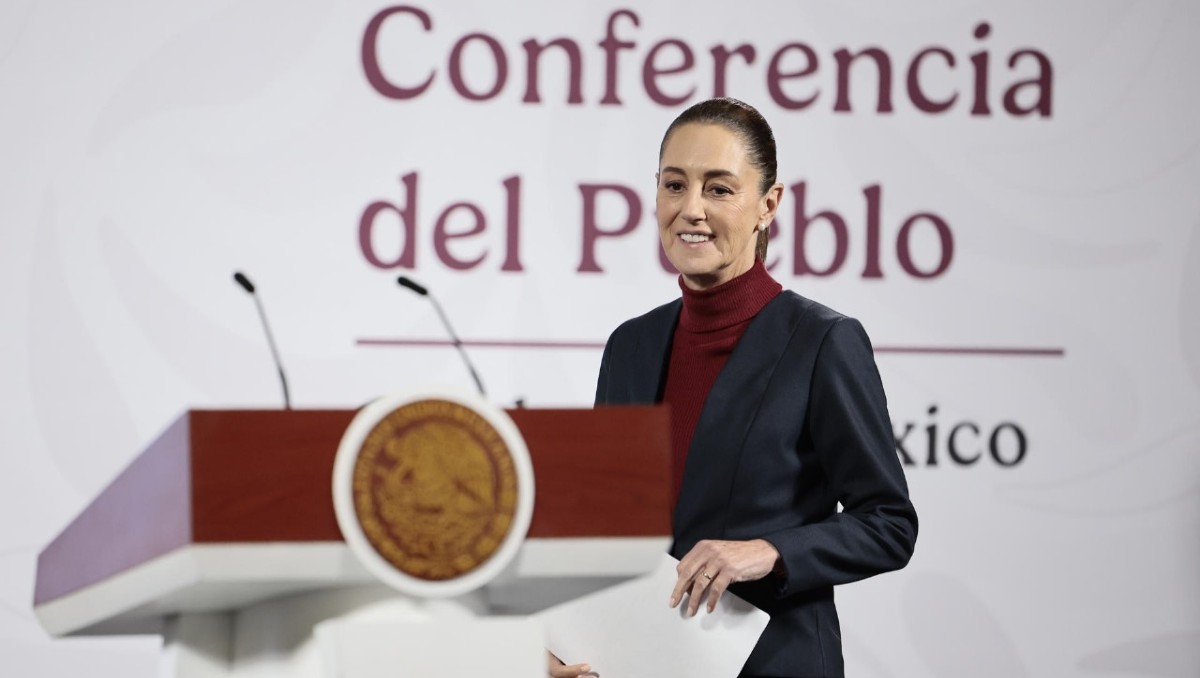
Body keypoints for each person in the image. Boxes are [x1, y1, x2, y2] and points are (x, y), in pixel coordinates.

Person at [558, 98, 918, 678]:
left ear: (767, 205)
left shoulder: (823, 341)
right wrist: (562, 649)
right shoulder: (630, 346)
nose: (691, 209)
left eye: (719, 189)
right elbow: (605, 530)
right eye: (674, 185)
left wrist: (771, 551)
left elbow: (890, 523)